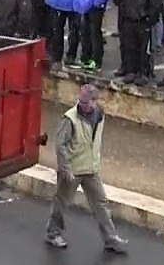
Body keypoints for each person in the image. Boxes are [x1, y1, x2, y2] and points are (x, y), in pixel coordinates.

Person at [45, 84, 129, 254]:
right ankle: (53, 233)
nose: (82, 105)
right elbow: (60, 145)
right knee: (62, 202)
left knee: (101, 203)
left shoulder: (100, 115)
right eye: (81, 101)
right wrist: (65, 168)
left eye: (86, 102)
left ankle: (111, 239)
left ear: (94, 102)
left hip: (91, 169)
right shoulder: (70, 119)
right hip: (73, 170)